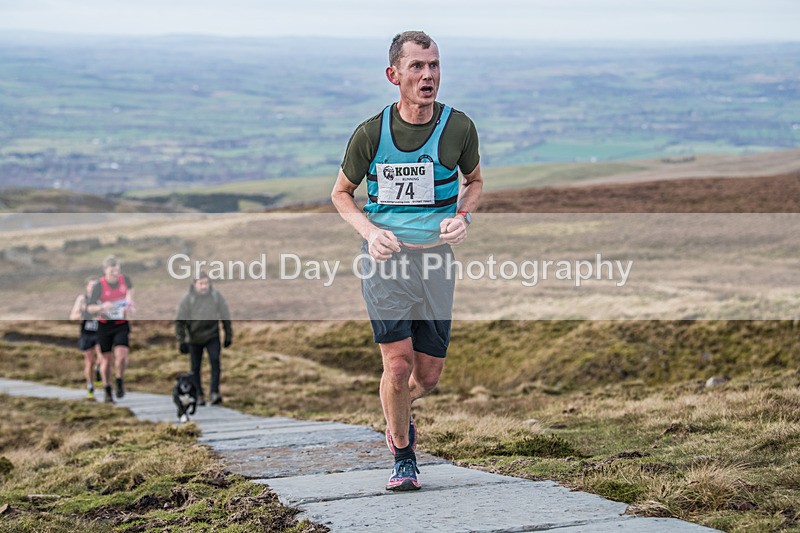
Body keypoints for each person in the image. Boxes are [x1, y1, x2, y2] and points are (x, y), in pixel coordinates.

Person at [331, 31, 483, 491]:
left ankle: (398, 408)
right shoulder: (371, 134)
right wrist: (371, 233)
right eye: (417, 66)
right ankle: (402, 454)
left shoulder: (458, 127)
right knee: (396, 366)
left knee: (427, 376)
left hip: (435, 262)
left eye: (434, 65)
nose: (428, 75)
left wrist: (464, 217)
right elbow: (341, 194)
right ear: (393, 75)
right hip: (386, 263)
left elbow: (474, 181)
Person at [174, 271, 232, 406]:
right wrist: (182, 341)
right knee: (195, 368)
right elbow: (179, 321)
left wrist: (228, 335)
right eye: (201, 283)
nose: (204, 286)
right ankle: (198, 394)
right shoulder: (188, 300)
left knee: (215, 362)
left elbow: (225, 315)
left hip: (212, 335)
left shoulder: (216, 296)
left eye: (206, 283)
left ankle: (214, 393)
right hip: (194, 339)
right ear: (195, 284)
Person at [86, 255, 135, 403]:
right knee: (106, 360)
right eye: (112, 271)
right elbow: (90, 307)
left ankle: (119, 379)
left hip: (121, 324)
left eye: (117, 270)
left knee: (121, 356)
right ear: (105, 270)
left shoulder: (125, 280)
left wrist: (130, 300)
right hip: (104, 325)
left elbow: (131, 290)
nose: (115, 274)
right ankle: (107, 388)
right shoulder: (99, 286)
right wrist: (102, 306)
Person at [69, 277, 102, 399]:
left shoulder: (102, 299)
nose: (93, 288)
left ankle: (98, 370)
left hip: (100, 333)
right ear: (87, 287)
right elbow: (72, 316)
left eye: (96, 286)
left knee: (102, 357)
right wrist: (83, 313)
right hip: (87, 333)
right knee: (89, 362)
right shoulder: (82, 299)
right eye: (91, 286)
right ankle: (90, 387)